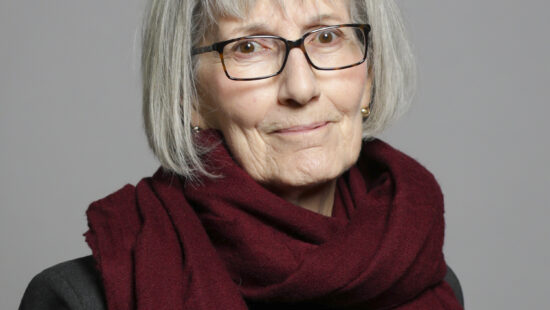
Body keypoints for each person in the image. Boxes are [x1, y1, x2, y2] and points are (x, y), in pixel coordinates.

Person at [20, 0, 464, 309]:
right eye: (248, 47)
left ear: (368, 75)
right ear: (189, 92)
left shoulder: (421, 280)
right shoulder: (83, 300)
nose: (301, 87)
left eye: (327, 37)